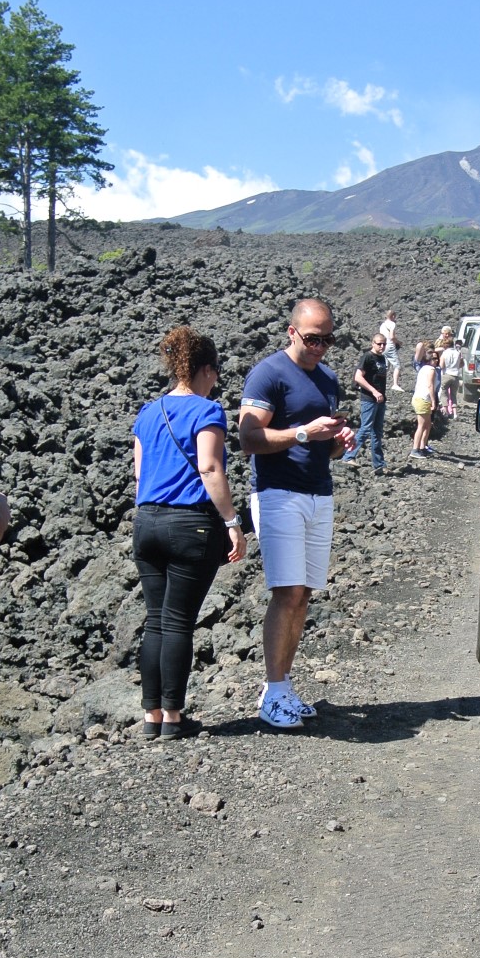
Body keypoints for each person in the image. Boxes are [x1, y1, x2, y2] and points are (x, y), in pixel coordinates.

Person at [239, 297, 355, 730]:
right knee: (286, 592)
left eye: (328, 340)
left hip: (318, 494)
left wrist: (340, 442)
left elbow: (327, 448)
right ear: (292, 332)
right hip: (278, 493)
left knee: (304, 594)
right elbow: (249, 438)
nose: (320, 347)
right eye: (312, 339)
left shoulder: (328, 378)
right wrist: (304, 432)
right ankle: (272, 692)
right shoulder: (268, 373)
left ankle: (283, 686)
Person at [131, 326, 247, 740]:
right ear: (205, 370)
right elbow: (210, 468)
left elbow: (140, 474)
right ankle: (173, 717)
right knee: (178, 622)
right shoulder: (207, 411)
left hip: (146, 523)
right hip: (189, 525)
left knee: (155, 621)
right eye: (215, 372)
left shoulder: (147, 412)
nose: (215, 381)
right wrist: (232, 522)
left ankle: (152, 718)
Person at [342, 331, 389, 473]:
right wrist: (374, 391)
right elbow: (358, 377)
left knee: (377, 432)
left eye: (384, 344)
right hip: (369, 399)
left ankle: (379, 464)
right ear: (373, 343)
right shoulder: (367, 357)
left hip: (380, 399)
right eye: (379, 344)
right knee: (366, 428)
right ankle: (348, 456)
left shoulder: (382, 358)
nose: (382, 346)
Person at [410, 349, 437, 459]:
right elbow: (430, 385)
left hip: (419, 398)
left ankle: (422, 447)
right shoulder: (431, 369)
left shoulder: (422, 369)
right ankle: (415, 449)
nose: (436, 360)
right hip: (423, 399)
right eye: (434, 358)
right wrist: (433, 401)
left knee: (427, 424)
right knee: (421, 425)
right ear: (428, 360)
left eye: (437, 358)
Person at [438, 339, 463, 418]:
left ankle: (446, 411)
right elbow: (461, 364)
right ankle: (455, 414)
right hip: (455, 376)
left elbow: (441, 365)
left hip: (446, 374)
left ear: (445, 345)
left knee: (444, 393)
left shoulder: (445, 353)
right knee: (453, 395)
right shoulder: (458, 353)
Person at [379, 310, 403, 391]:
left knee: (385, 366)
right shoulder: (392, 324)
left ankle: (382, 383)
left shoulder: (382, 325)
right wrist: (398, 342)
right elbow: (392, 337)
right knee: (397, 366)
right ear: (393, 316)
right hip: (390, 346)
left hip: (383, 346)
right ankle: (395, 384)